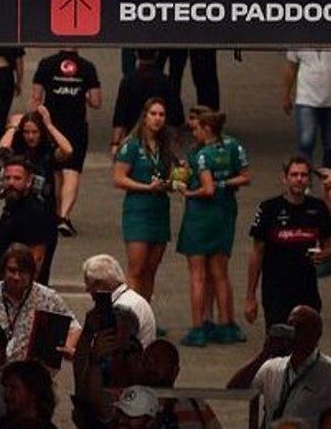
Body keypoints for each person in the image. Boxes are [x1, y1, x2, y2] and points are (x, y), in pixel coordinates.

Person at [177, 109, 251, 346]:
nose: (193, 132)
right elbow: (245, 176)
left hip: (200, 216)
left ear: (207, 128)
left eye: (196, 128)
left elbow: (207, 189)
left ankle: (198, 328)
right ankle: (227, 324)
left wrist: (188, 192)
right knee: (220, 273)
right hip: (225, 212)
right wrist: (225, 183)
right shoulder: (233, 145)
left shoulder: (202, 154)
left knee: (197, 275)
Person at [246, 157, 331, 328]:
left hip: (307, 292)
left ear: (309, 180)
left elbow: (328, 244)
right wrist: (250, 297)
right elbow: (257, 253)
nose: (299, 179)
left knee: (306, 341)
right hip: (276, 293)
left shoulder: (318, 208)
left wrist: (326, 253)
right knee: (278, 341)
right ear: (285, 178)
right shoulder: (269, 209)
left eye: (304, 175)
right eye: (294, 175)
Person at [30, 47, 102, 235]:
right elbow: (96, 101)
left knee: (54, 171)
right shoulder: (87, 67)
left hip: (51, 125)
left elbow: (36, 97)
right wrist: (83, 96)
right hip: (76, 127)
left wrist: (34, 122)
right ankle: (64, 216)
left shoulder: (46, 64)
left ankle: (54, 214)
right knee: (72, 171)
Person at [113, 98, 174, 302]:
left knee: (151, 269)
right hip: (138, 210)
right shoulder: (131, 145)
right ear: (145, 116)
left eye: (162, 115)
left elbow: (169, 175)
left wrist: (173, 182)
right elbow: (119, 178)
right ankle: (131, 313)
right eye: (153, 114)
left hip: (160, 209)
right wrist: (146, 187)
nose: (158, 119)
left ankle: (146, 312)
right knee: (137, 269)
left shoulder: (164, 146)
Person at [0, 244, 79, 361]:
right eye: (12, 270)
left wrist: (68, 347)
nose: (17, 277)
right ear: (3, 271)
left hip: (29, 368)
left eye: (22, 272)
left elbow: (74, 326)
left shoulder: (47, 297)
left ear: (31, 274)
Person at [231, 306, 331, 428]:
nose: (292, 332)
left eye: (300, 327)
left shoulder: (327, 371)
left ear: (316, 335)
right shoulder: (272, 368)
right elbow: (234, 391)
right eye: (290, 325)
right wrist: (264, 355)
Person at [0, 157, 58, 284]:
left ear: (29, 181)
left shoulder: (36, 212)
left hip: (20, 289)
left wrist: (21, 291)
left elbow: (36, 259)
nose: (11, 183)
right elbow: (6, 238)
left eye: (17, 178)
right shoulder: (13, 205)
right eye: (7, 178)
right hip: (6, 287)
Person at [0, 108, 70, 216]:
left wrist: (49, 125)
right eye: (26, 132)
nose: (30, 136)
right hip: (16, 206)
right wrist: (13, 127)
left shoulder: (48, 152)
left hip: (43, 207)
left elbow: (68, 151)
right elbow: (2, 150)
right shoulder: (18, 150)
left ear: (41, 132)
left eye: (35, 132)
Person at [141, 340, 221, 429]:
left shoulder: (196, 406)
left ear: (174, 371)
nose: (150, 366)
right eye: (146, 361)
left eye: (158, 361)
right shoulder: (132, 407)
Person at [82, 254, 157, 347]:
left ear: (99, 284)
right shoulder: (131, 298)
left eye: (89, 284)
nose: (87, 290)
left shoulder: (123, 309)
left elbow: (113, 349)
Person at [112, 51, 181, 152]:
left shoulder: (128, 81)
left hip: (133, 136)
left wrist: (115, 143)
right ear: (157, 54)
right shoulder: (166, 81)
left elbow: (120, 116)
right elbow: (175, 115)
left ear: (136, 54)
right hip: (161, 138)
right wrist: (175, 142)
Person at [284, 52, 331, 168]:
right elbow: (291, 67)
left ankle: (328, 177)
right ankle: (304, 178)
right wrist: (285, 95)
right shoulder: (298, 42)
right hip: (306, 99)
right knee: (306, 142)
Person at [0, 360, 58, 429]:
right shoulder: (0, 425)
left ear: (33, 391)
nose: (6, 393)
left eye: (13, 387)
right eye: (5, 387)